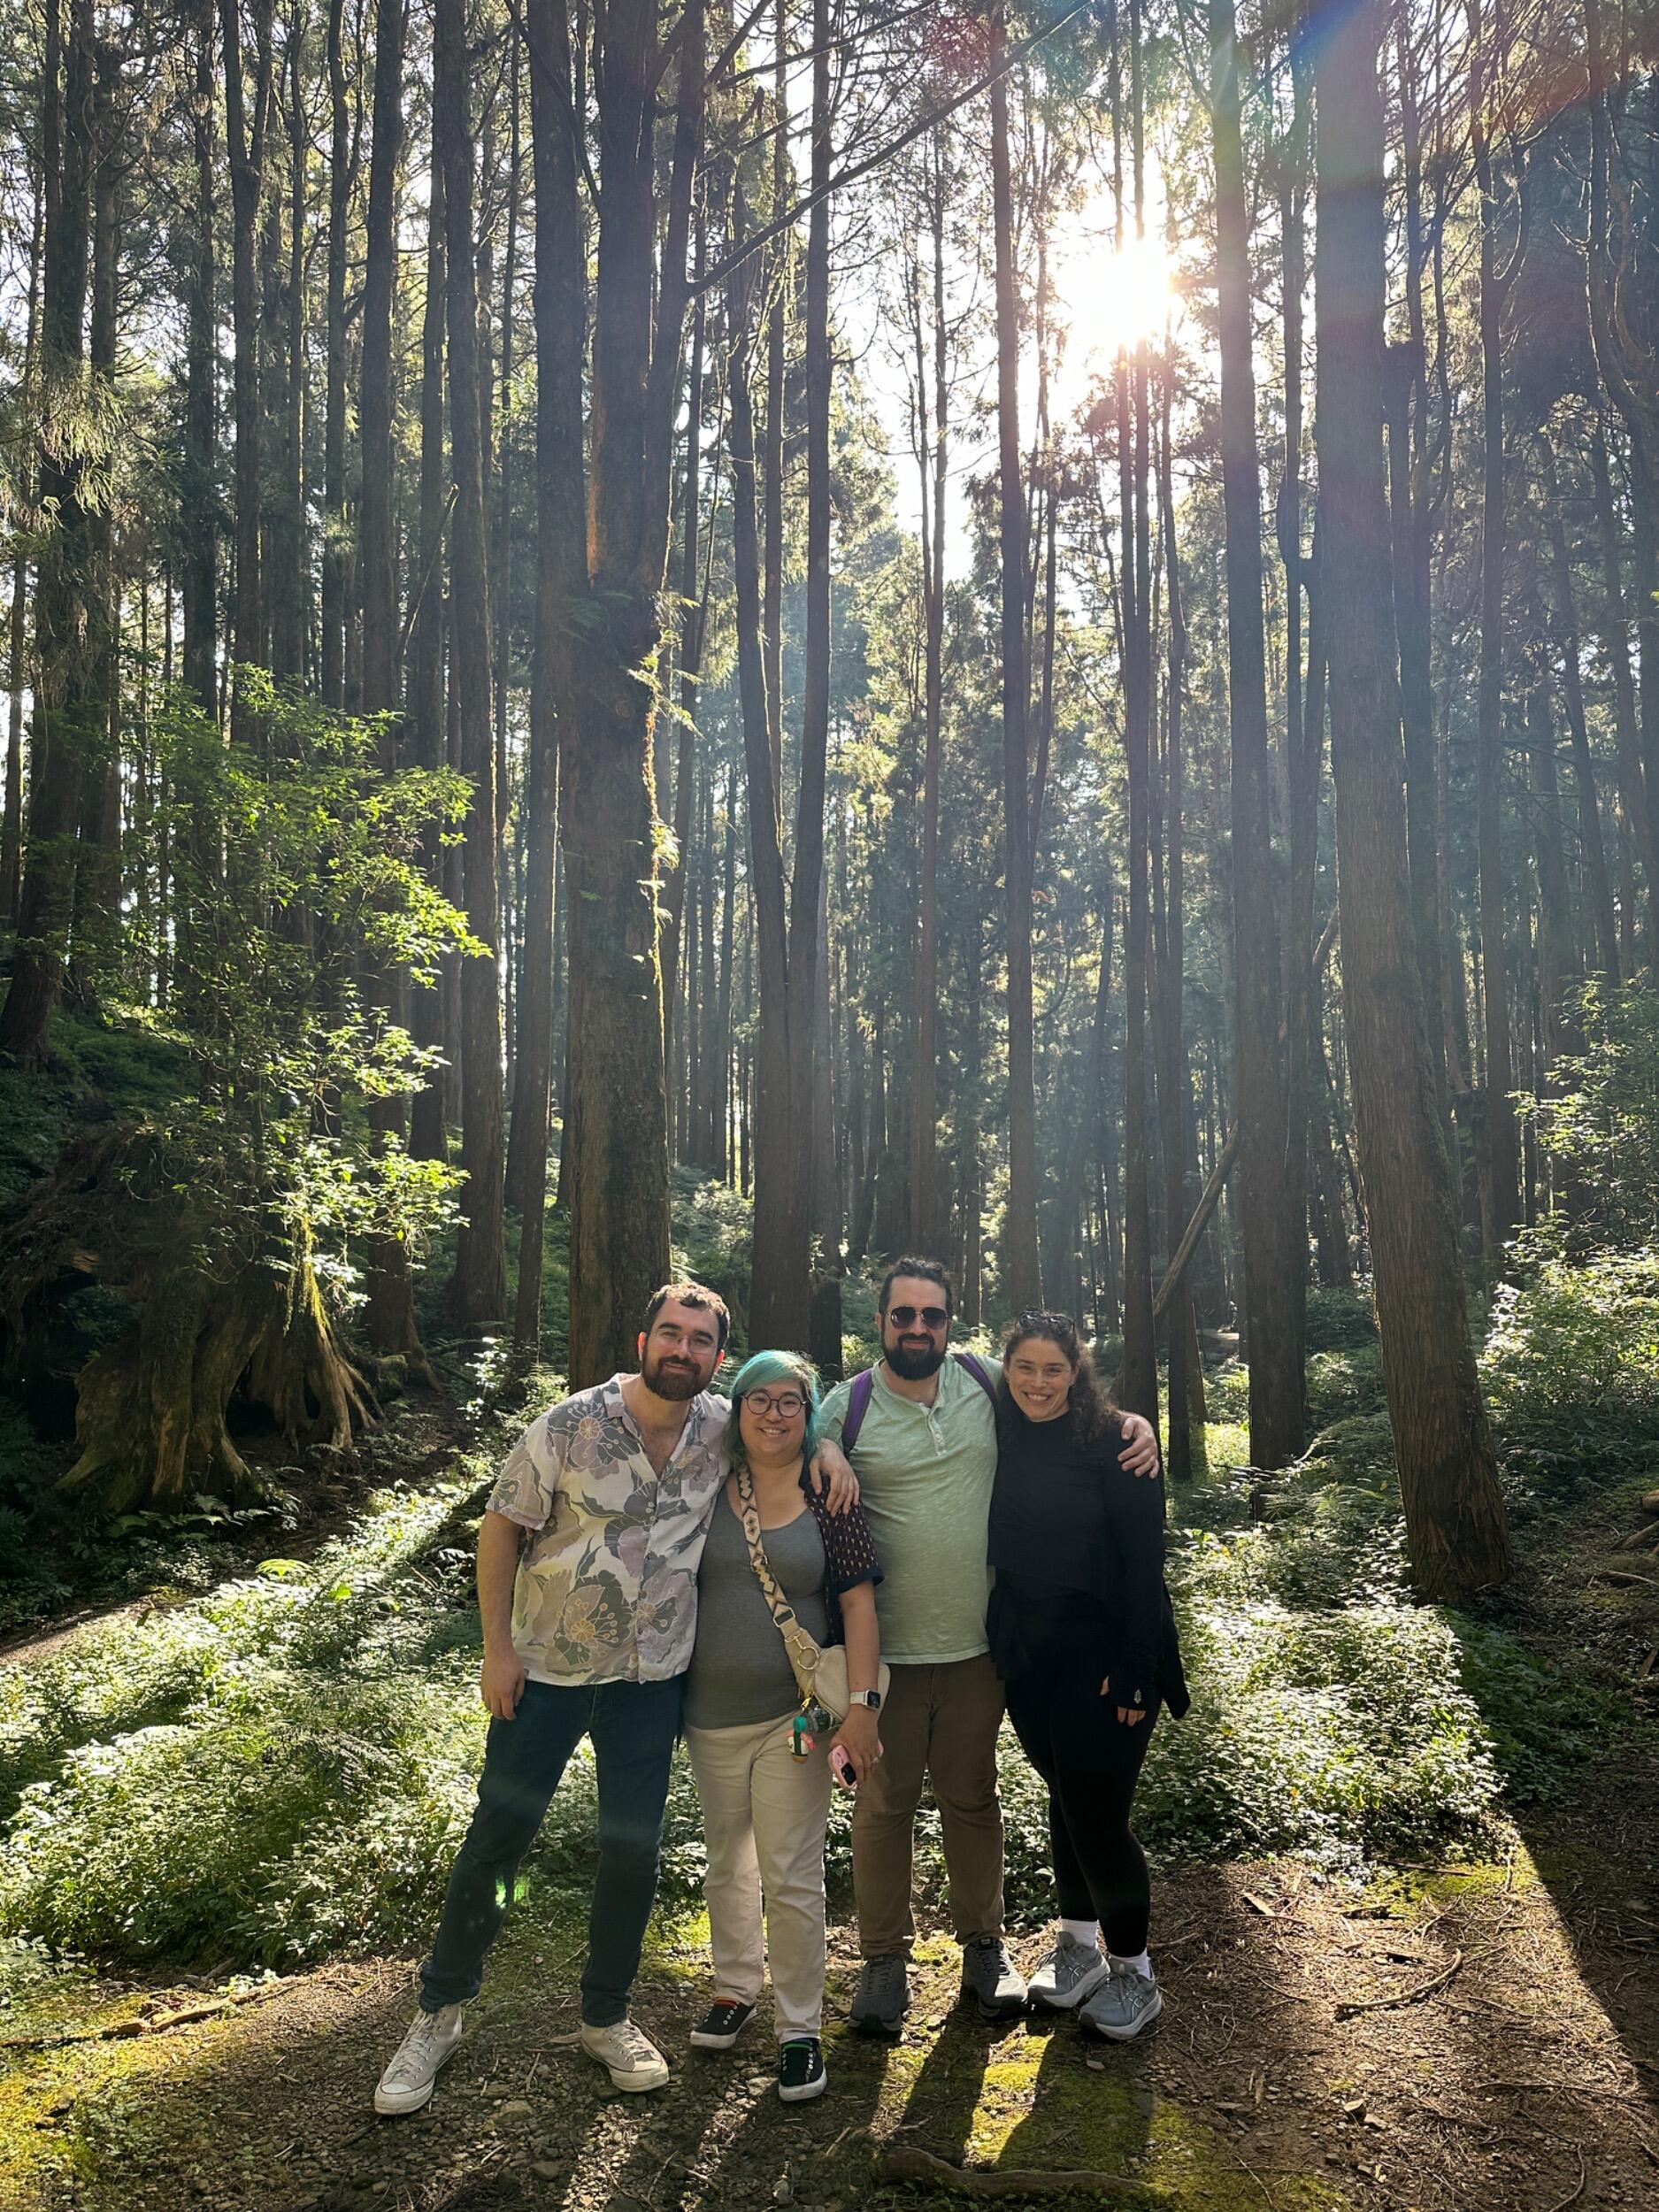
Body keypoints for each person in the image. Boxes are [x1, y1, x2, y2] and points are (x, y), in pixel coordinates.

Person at [373, 1283, 858, 2116]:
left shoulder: (721, 1429)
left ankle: (606, 2016)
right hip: (546, 1673)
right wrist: (495, 1650)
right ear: (642, 1339)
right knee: (497, 1842)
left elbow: (786, 1435)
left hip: (651, 1683)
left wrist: (828, 1449)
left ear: (716, 1358)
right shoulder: (568, 1425)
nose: (683, 1350)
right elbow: (501, 1525)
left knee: (631, 1853)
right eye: (670, 1334)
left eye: (700, 1341)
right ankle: (440, 2011)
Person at [813, 1259, 1161, 2037]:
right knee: (888, 1805)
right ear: (881, 1322)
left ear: (949, 1325)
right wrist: (823, 1448)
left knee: (981, 1801)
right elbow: (785, 1427)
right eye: (901, 1315)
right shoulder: (850, 1404)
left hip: (984, 1649)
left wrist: (1136, 1423)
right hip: (898, 1654)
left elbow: (1075, 1418)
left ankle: (998, 1951)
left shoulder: (981, 1387)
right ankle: (885, 1965)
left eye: (931, 1316)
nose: (916, 1328)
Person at [683, 1351, 884, 2102]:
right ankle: (735, 1987)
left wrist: (862, 1707)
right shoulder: (704, 1487)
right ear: (736, 1412)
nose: (773, 1413)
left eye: (790, 1402)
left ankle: (799, 2029)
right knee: (725, 1863)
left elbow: (860, 1605)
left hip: (793, 1719)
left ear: (810, 1412)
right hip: (706, 1716)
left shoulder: (828, 1493)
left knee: (791, 1875)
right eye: (758, 1400)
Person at [987, 1309, 1188, 2040]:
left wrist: (1136, 1670)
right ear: (1004, 1371)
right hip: (1027, 1654)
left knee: (1098, 1816)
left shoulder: (1115, 1444)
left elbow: (1144, 1564)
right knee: (1064, 1800)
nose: (1037, 1383)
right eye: (1024, 1368)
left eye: (1053, 1368)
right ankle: (1077, 1948)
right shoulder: (998, 1430)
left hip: (1104, 1657)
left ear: (1077, 1373)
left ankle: (1134, 1972)